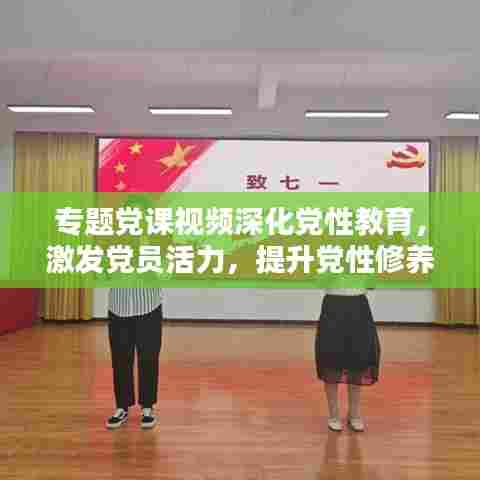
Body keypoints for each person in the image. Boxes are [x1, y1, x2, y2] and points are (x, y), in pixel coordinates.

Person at [106, 195, 163, 430]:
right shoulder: (112, 238)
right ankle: (122, 407)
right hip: (118, 306)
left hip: (148, 305)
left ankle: (147, 408)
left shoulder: (158, 238)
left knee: (148, 357)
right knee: (120, 358)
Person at [315, 280, 380, 433]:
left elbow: (371, 284)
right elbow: (320, 281)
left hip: (358, 306)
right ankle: (334, 415)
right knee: (330, 359)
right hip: (333, 306)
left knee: (358, 359)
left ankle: (354, 414)